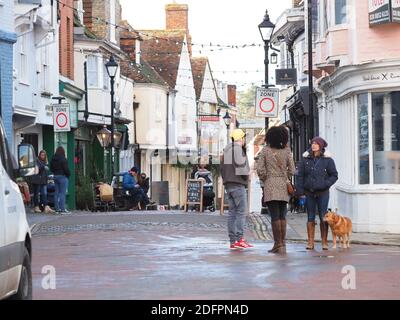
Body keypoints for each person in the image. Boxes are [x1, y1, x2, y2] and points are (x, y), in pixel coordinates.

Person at [256, 126, 295, 254]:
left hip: (271, 184)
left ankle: (277, 243)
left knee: (274, 215)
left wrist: (266, 178)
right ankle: (282, 243)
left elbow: (260, 170)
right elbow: (293, 170)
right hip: (284, 184)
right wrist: (285, 175)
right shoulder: (287, 150)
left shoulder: (265, 151)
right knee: (282, 214)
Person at [295, 137, 338, 250]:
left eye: (316, 144)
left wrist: (326, 183)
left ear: (321, 146)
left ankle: (324, 242)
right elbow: (300, 176)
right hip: (309, 192)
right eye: (312, 143)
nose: (313, 145)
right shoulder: (305, 159)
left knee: (324, 217)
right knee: (310, 216)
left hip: (323, 192)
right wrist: (300, 192)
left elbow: (334, 175)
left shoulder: (328, 160)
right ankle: (310, 242)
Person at [220, 129, 253, 250]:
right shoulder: (237, 149)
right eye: (244, 138)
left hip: (229, 185)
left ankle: (233, 241)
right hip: (238, 184)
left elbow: (222, 169)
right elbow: (241, 167)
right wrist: (247, 175)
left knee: (232, 213)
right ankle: (240, 239)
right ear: (241, 138)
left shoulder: (227, 150)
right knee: (240, 212)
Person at [50, 146, 71, 214]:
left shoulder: (53, 159)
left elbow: (51, 168)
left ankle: (57, 209)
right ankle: (62, 209)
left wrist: (55, 173)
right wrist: (68, 175)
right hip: (62, 176)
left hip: (55, 176)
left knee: (56, 193)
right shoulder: (63, 159)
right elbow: (66, 169)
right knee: (62, 193)